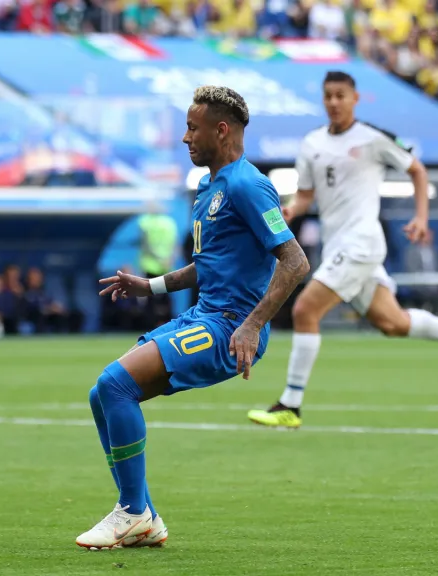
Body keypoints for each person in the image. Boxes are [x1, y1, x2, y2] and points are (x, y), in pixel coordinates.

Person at [80, 86, 310, 549]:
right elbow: (208, 265)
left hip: (229, 327)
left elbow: (295, 262)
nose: (185, 138)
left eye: (192, 128)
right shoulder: (209, 186)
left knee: (114, 384)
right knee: (100, 395)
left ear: (220, 130)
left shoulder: (247, 184)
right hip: (203, 316)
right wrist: (152, 286)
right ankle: (144, 517)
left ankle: (131, 512)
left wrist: (251, 324)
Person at [247, 71, 438, 430]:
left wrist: (421, 217)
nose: (334, 102)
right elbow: (307, 195)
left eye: (341, 95)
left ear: (355, 99)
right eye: (328, 96)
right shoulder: (311, 144)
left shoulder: (371, 138)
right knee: (393, 323)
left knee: (305, 309)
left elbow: (417, 169)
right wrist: (291, 209)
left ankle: (290, 404)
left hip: (361, 243)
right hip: (339, 245)